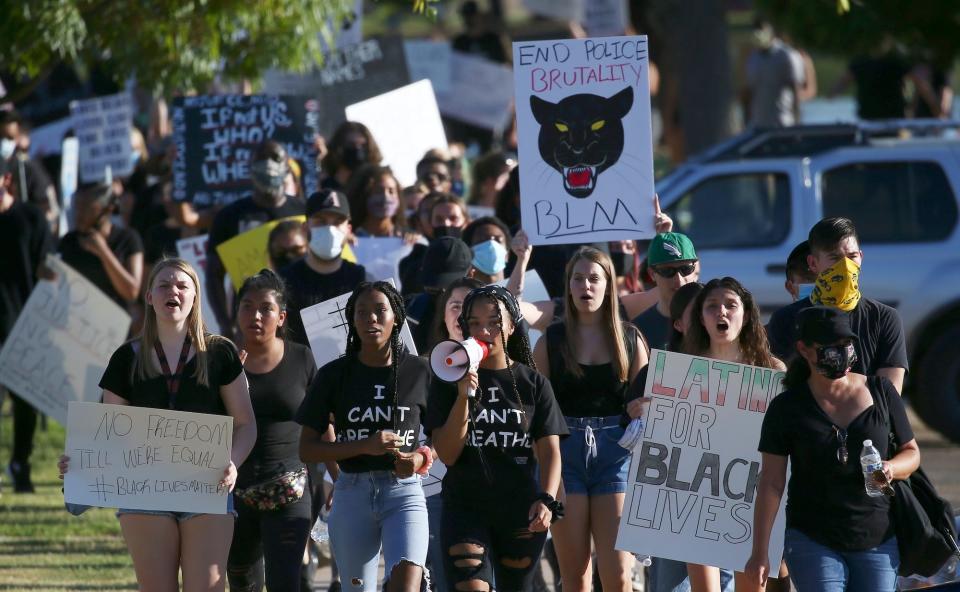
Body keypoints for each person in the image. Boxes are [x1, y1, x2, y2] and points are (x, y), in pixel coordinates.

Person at [58, 258, 257, 591]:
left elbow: (246, 423)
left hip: (207, 485)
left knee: (207, 586)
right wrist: (79, 462)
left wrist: (234, 463)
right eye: (164, 284)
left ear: (195, 298)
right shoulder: (126, 357)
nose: (173, 291)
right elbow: (106, 432)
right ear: (149, 297)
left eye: (183, 285)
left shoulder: (221, 353)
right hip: (144, 490)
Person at [745, 306, 920, 592]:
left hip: (877, 537)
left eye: (846, 344)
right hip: (812, 537)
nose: (841, 352)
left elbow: (911, 452)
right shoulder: (787, 407)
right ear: (804, 349)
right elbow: (771, 483)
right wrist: (760, 551)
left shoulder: (881, 391)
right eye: (830, 346)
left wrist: (891, 468)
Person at [427, 285, 568, 592]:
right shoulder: (447, 380)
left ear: (512, 327)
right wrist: (464, 397)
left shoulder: (534, 384)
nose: (484, 330)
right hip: (465, 507)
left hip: (521, 510)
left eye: (493, 322)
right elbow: (447, 454)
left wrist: (546, 498)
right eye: (474, 323)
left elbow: (550, 450)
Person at [296, 281, 431, 592]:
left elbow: (441, 435)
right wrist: (366, 446)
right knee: (357, 588)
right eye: (362, 312)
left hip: (404, 494)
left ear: (396, 316)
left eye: (380, 310)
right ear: (352, 320)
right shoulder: (333, 375)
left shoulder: (419, 372)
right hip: (352, 492)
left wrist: (422, 457)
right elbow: (307, 449)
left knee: (407, 585)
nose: (371, 318)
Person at [533, 247, 648, 592]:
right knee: (575, 576)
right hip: (564, 453)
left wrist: (643, 407)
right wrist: (549, 477)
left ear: (609, 285)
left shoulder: (630, 338)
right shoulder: (550, 341)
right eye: (578, 278)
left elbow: (648, 402)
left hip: (618, 453)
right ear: (568, 286)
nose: (586, 285)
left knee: (617, 575)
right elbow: (538, 417)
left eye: (594, 278)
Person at [682, 277, 785, 592]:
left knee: (751, 586)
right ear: (701, 317)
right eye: (712, 306)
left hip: (753, 494)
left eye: (730, 305)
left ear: (747, 315)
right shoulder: (681, 370)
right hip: (696, 489)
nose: (721, 313)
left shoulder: (772, 371)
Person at [228, 270, 317, 592]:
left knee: (285, 582)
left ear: (281, 317)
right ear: (236, 312)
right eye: (247, 306)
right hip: (232, 492)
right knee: (241, 579)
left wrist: (337, 479)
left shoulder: (302, 358)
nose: (255, 315)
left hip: (289, 491)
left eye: (265, 308)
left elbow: (325, 423)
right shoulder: (220, 360)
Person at [766, 217, 908, 393]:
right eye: (835, 258)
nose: (846, 266)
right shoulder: (786, 319)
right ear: (813, 263)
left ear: (861, 258)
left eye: (852, 257)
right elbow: (777, 388)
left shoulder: (884, 318)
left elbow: (890, 394)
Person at [207, 140, 305, 334]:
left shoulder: (304, 211)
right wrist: (225, 324)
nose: (268, 164)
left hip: (302, 314)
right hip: (253, 320)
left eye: (275, 158)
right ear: (250, 167)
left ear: (287, 167)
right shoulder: (229, 217)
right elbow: (214, 276)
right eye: (261, 159)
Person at [0, 154, 54, 493]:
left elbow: (48, 270)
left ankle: (21, 463)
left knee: (25, 403)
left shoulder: (31, 218)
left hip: (24, 324)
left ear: (6, 181)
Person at [280, 189, 367, 347]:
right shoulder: (284, 281)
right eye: (321, 221)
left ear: (348, 230)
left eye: (337, 222)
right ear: (305, 228)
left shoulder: (362, 279)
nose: (330, 229)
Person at [58, 182, 144, 309]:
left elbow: (132, 292)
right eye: (77, 207)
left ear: (107, 209)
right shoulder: (69, 241)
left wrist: (102, 251)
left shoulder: (128, 239)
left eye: (86, 207)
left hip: (112, 323)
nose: (78, 214)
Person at [631, 232, 700, 351]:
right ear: (652, 274)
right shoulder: (637, 331)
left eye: (686, 269)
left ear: (695, 269)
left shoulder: (714, 320)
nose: (678, 280)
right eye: (668, 271)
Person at [406, 236, 474, 353]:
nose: (442, 296)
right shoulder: (410, 309)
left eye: (449, 288)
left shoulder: (484, 314)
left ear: (471, 275)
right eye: (433, 289)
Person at [399, 193, 470, 296]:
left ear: (466, 222)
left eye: (453, 218)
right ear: (431, 223)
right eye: (439, 219)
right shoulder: (412, 264)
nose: (446, 224)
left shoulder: (478, 259)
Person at [741, 18, 804, 128]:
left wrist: (797, 124)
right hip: (759, 126)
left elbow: (796, 90)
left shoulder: (786, 55)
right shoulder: (753, 59)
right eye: (756, 29)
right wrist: (746, 124)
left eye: (762, 29)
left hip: (783, 124)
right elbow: (748, 93)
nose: (758, 33)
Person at [345, 164, 407, 238]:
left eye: (391, 191)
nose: (385, 197)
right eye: (378, 191)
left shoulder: (406, 239)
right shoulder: (349, 239)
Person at [319, 122, 383, 192]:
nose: (357, 150)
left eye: (362, 145)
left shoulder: (378, 183)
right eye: (351, 145)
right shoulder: (327, 185)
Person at [462, 216, 511, 285]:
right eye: (482, 240)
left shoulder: (523, 293)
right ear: (468, 252)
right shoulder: (457, 294)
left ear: (507, 255)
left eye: (498, 240)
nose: (491, 245)